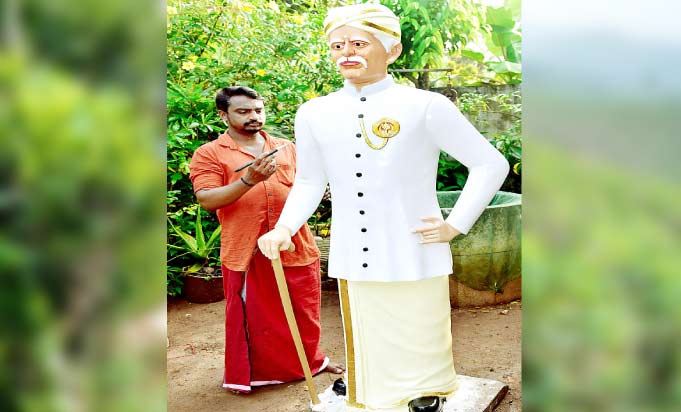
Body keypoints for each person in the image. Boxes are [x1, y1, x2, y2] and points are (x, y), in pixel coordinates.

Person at [257, 4, 510, 412]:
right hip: (354, 244)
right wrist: (284, 227)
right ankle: (367, 381)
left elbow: (490, 164)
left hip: (414, 238)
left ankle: (426, 387)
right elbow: (309, 181)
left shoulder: (426, 105)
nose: (346, 52)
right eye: (337, 45)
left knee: (419, 316)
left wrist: (455, 224)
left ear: (392, 49)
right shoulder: (314, 113)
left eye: (358, 43)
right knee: (364, 318)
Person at [189, 85, 343, 394]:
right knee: (256, 318)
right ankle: (255, 375)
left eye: (258, 110)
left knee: (303, 310)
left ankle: (310, 362)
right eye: (243, 111)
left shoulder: (287, 148)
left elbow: (309, 185)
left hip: (295, 244)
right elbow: (206, 199)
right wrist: (249, 180)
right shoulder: (210, 153)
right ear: (223, 115)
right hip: (247, 248)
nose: (254, 116)